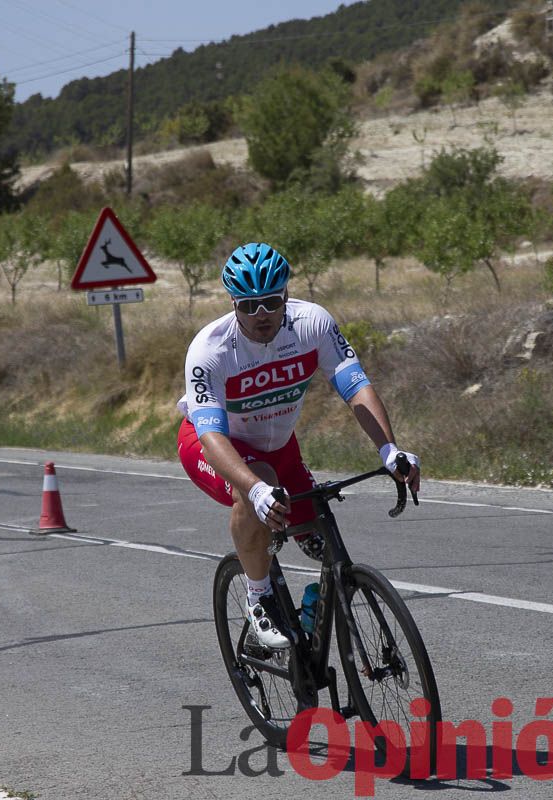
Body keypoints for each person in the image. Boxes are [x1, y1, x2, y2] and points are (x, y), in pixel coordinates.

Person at [176, 242, 420, 649]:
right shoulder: (210, 350)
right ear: (232, 303)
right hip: (213, 446)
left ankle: (313, 614)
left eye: (271, 302)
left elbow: (356, 387)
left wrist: (389, 450)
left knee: (320, 538)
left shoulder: (313, 324)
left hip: (280, 446)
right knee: (261, 484)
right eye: (248, 306)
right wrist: (253, 488)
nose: (261, 315)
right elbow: (211, 434)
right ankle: (258, 599)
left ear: (285, 295)